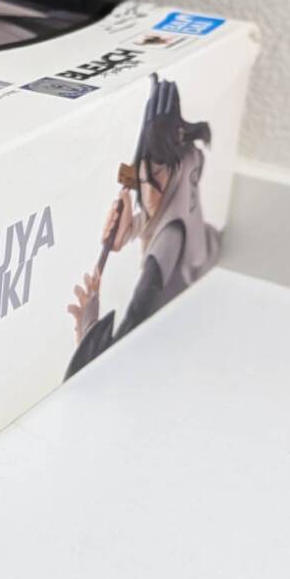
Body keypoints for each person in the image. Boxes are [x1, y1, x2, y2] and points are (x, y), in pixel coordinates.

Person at [65, 75, 218, 378]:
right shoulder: (182, 161)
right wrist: (131, 226)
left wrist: (91, 329)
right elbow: (155, 202)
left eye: (158, 176)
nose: (149, 192)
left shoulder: (169, 238)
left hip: (194, 303)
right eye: (146, 176)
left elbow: (134, 320)